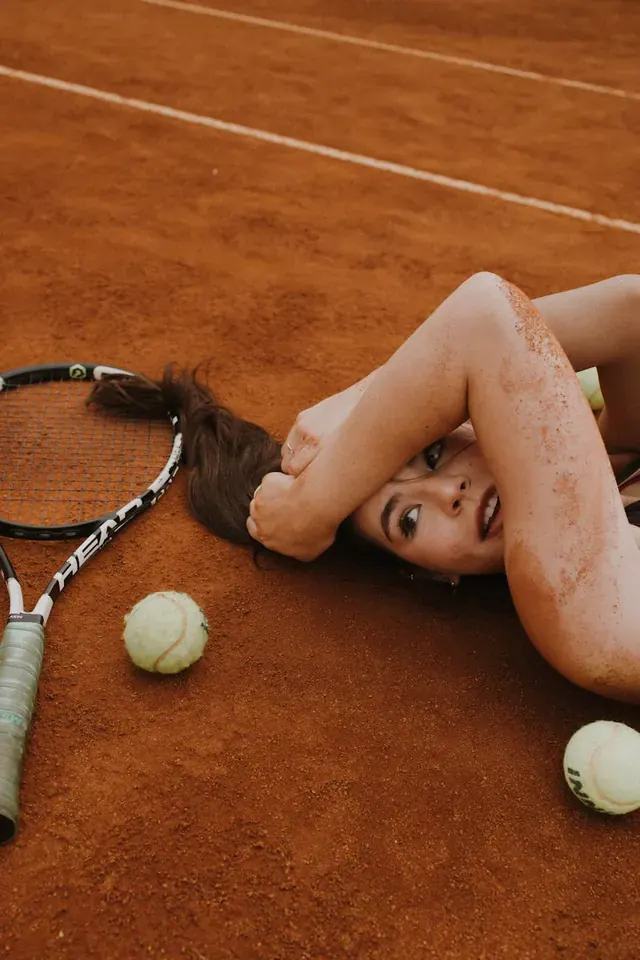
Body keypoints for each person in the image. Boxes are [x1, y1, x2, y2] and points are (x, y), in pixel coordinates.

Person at [91, 273, 640, 703]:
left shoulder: (616, 452)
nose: (448, 492)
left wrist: (356, 407)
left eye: (430, 452)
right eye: (407, 520)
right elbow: (483, 318)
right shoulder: (580, 597)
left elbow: (630, 308)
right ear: (433, 573)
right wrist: (311, 508)